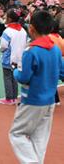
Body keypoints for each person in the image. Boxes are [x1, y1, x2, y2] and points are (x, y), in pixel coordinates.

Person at [9, 10, 64, 163]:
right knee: (40, 138)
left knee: (17, 133)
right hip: (49, 101)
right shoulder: (55, 50)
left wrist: (15, 71)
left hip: (32, 100)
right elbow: (62, 72)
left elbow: (23, 77)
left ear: (31, 28)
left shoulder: (31, 51)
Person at [0, 9, 28, 105]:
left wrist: (1, 50)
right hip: (20, 58)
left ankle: (9, 98)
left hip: (8, 58)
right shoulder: (23, 30)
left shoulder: (7, 31)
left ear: (10, 19)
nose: (4, 18)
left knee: (7, 77)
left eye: (6, 17)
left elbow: (3, 46)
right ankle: (14, 97)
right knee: (14, 77)